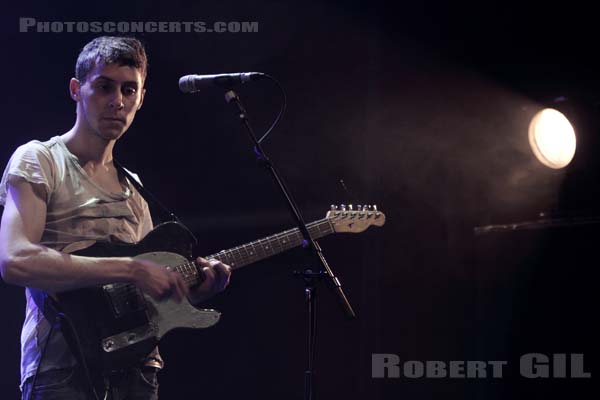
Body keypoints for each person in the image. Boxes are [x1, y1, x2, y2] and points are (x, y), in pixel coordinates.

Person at [0, 36, 231, 399]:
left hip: (138, 370)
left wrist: (192, 291)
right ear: (76, 89)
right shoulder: (40, 159)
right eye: (104, 86)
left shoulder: (134, 187)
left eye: (129, 89)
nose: (117, 101)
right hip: (62, 369)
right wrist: (131, 267)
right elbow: (15, 261)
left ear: (141, 98)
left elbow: (141, 299)